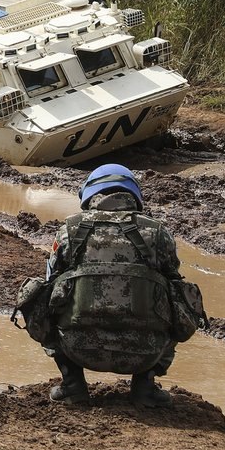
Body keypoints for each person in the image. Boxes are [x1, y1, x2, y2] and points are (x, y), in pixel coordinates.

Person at [42, 163, 183, 407]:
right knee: (181, 296)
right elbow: (176, 289)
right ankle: (145, 387)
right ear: (133, 196)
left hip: (77, 346)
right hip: (146, 351)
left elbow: (49, 282)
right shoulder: (158, 233)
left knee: (39, 295)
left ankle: (72, 384)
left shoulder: (69, 230)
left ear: (89, 194)